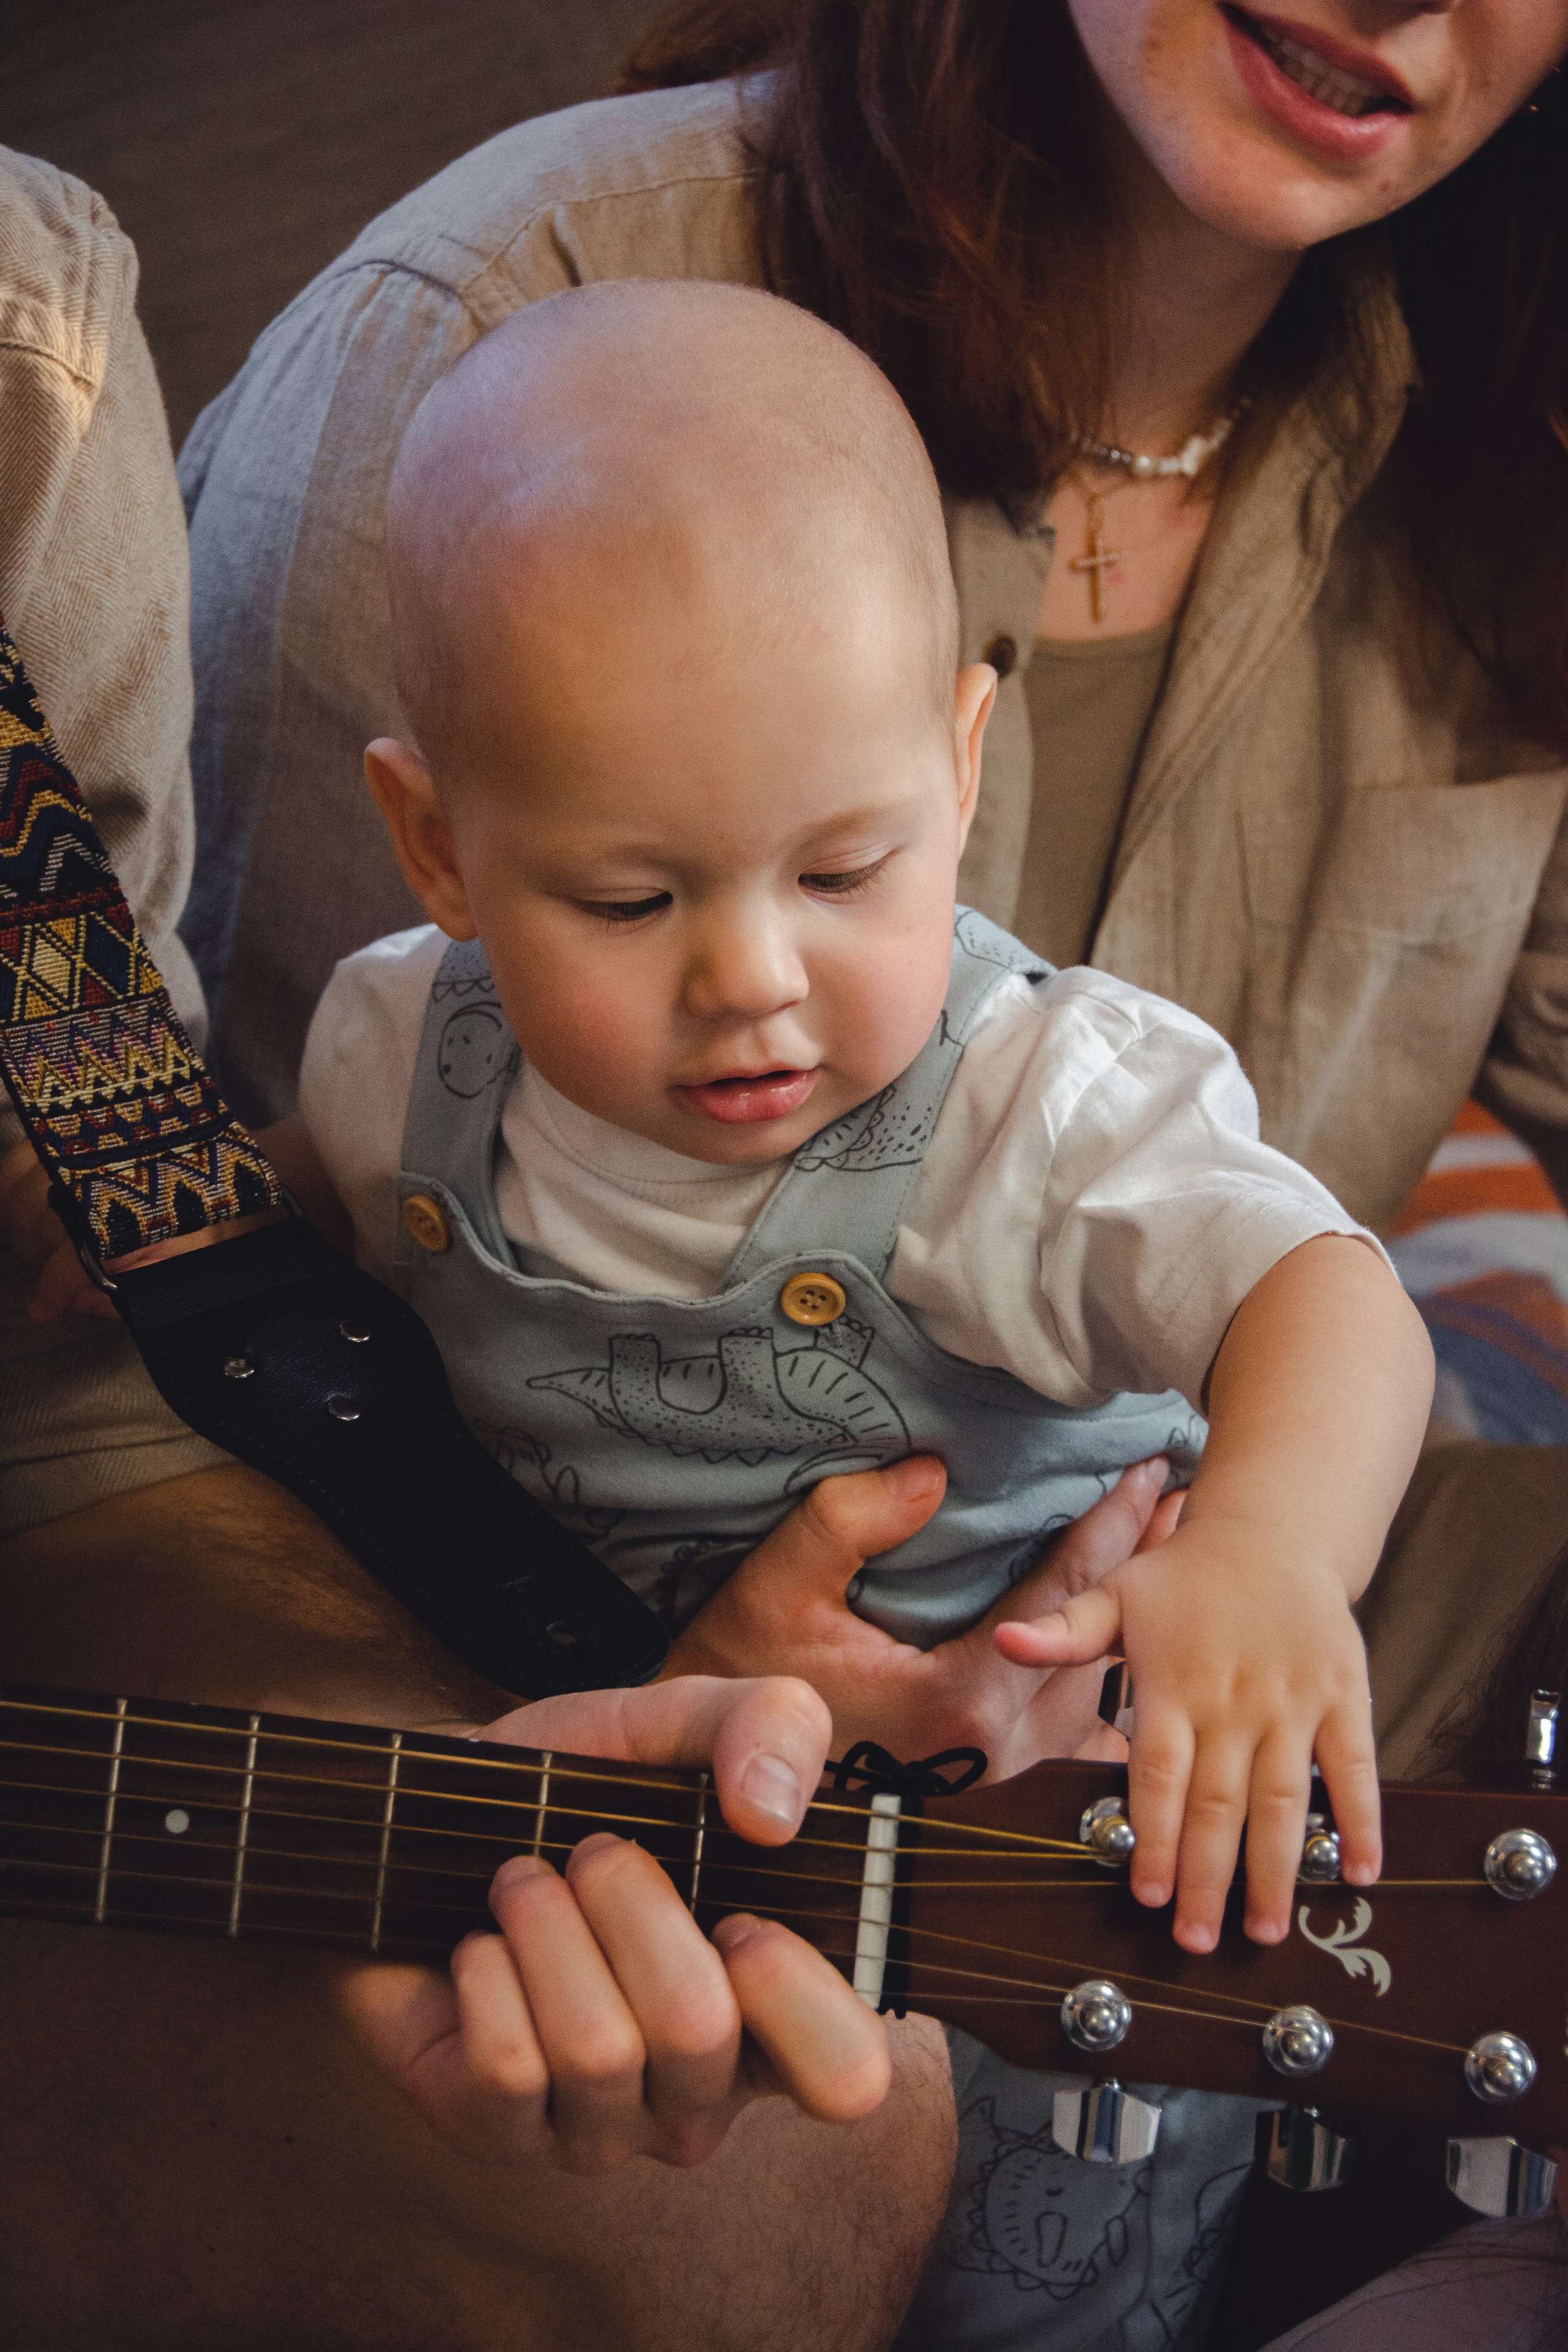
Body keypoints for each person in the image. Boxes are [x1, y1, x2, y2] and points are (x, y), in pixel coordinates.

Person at [254, 276, 1429, 1961]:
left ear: (960, 763)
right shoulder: (393, 1050)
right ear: (436, 845)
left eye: (841, 873)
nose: (749, 977)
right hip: (654, 1801)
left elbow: (1322, 1288)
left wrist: (1266, 1552)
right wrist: (213, 1227)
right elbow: (325, 1198)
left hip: (1049, 1831)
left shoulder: (1025, 1109)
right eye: (628, 899)